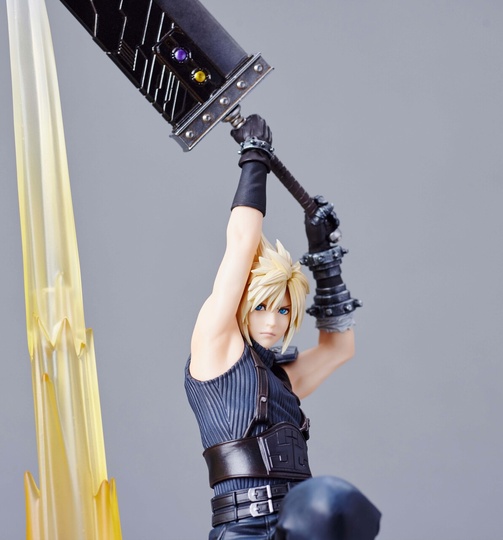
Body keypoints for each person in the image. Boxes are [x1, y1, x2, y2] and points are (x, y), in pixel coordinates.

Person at [185, 115, 381, 539]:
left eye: (284, 311)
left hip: (296, 528)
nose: (273, 322)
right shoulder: (218, 349)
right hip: (245, 530)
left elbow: (338, 349)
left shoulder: (280, 380)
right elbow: (241, 245)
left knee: (343, 506)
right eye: (261, 307)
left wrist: (324, 259)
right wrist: (254, 158)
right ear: (242, 304)